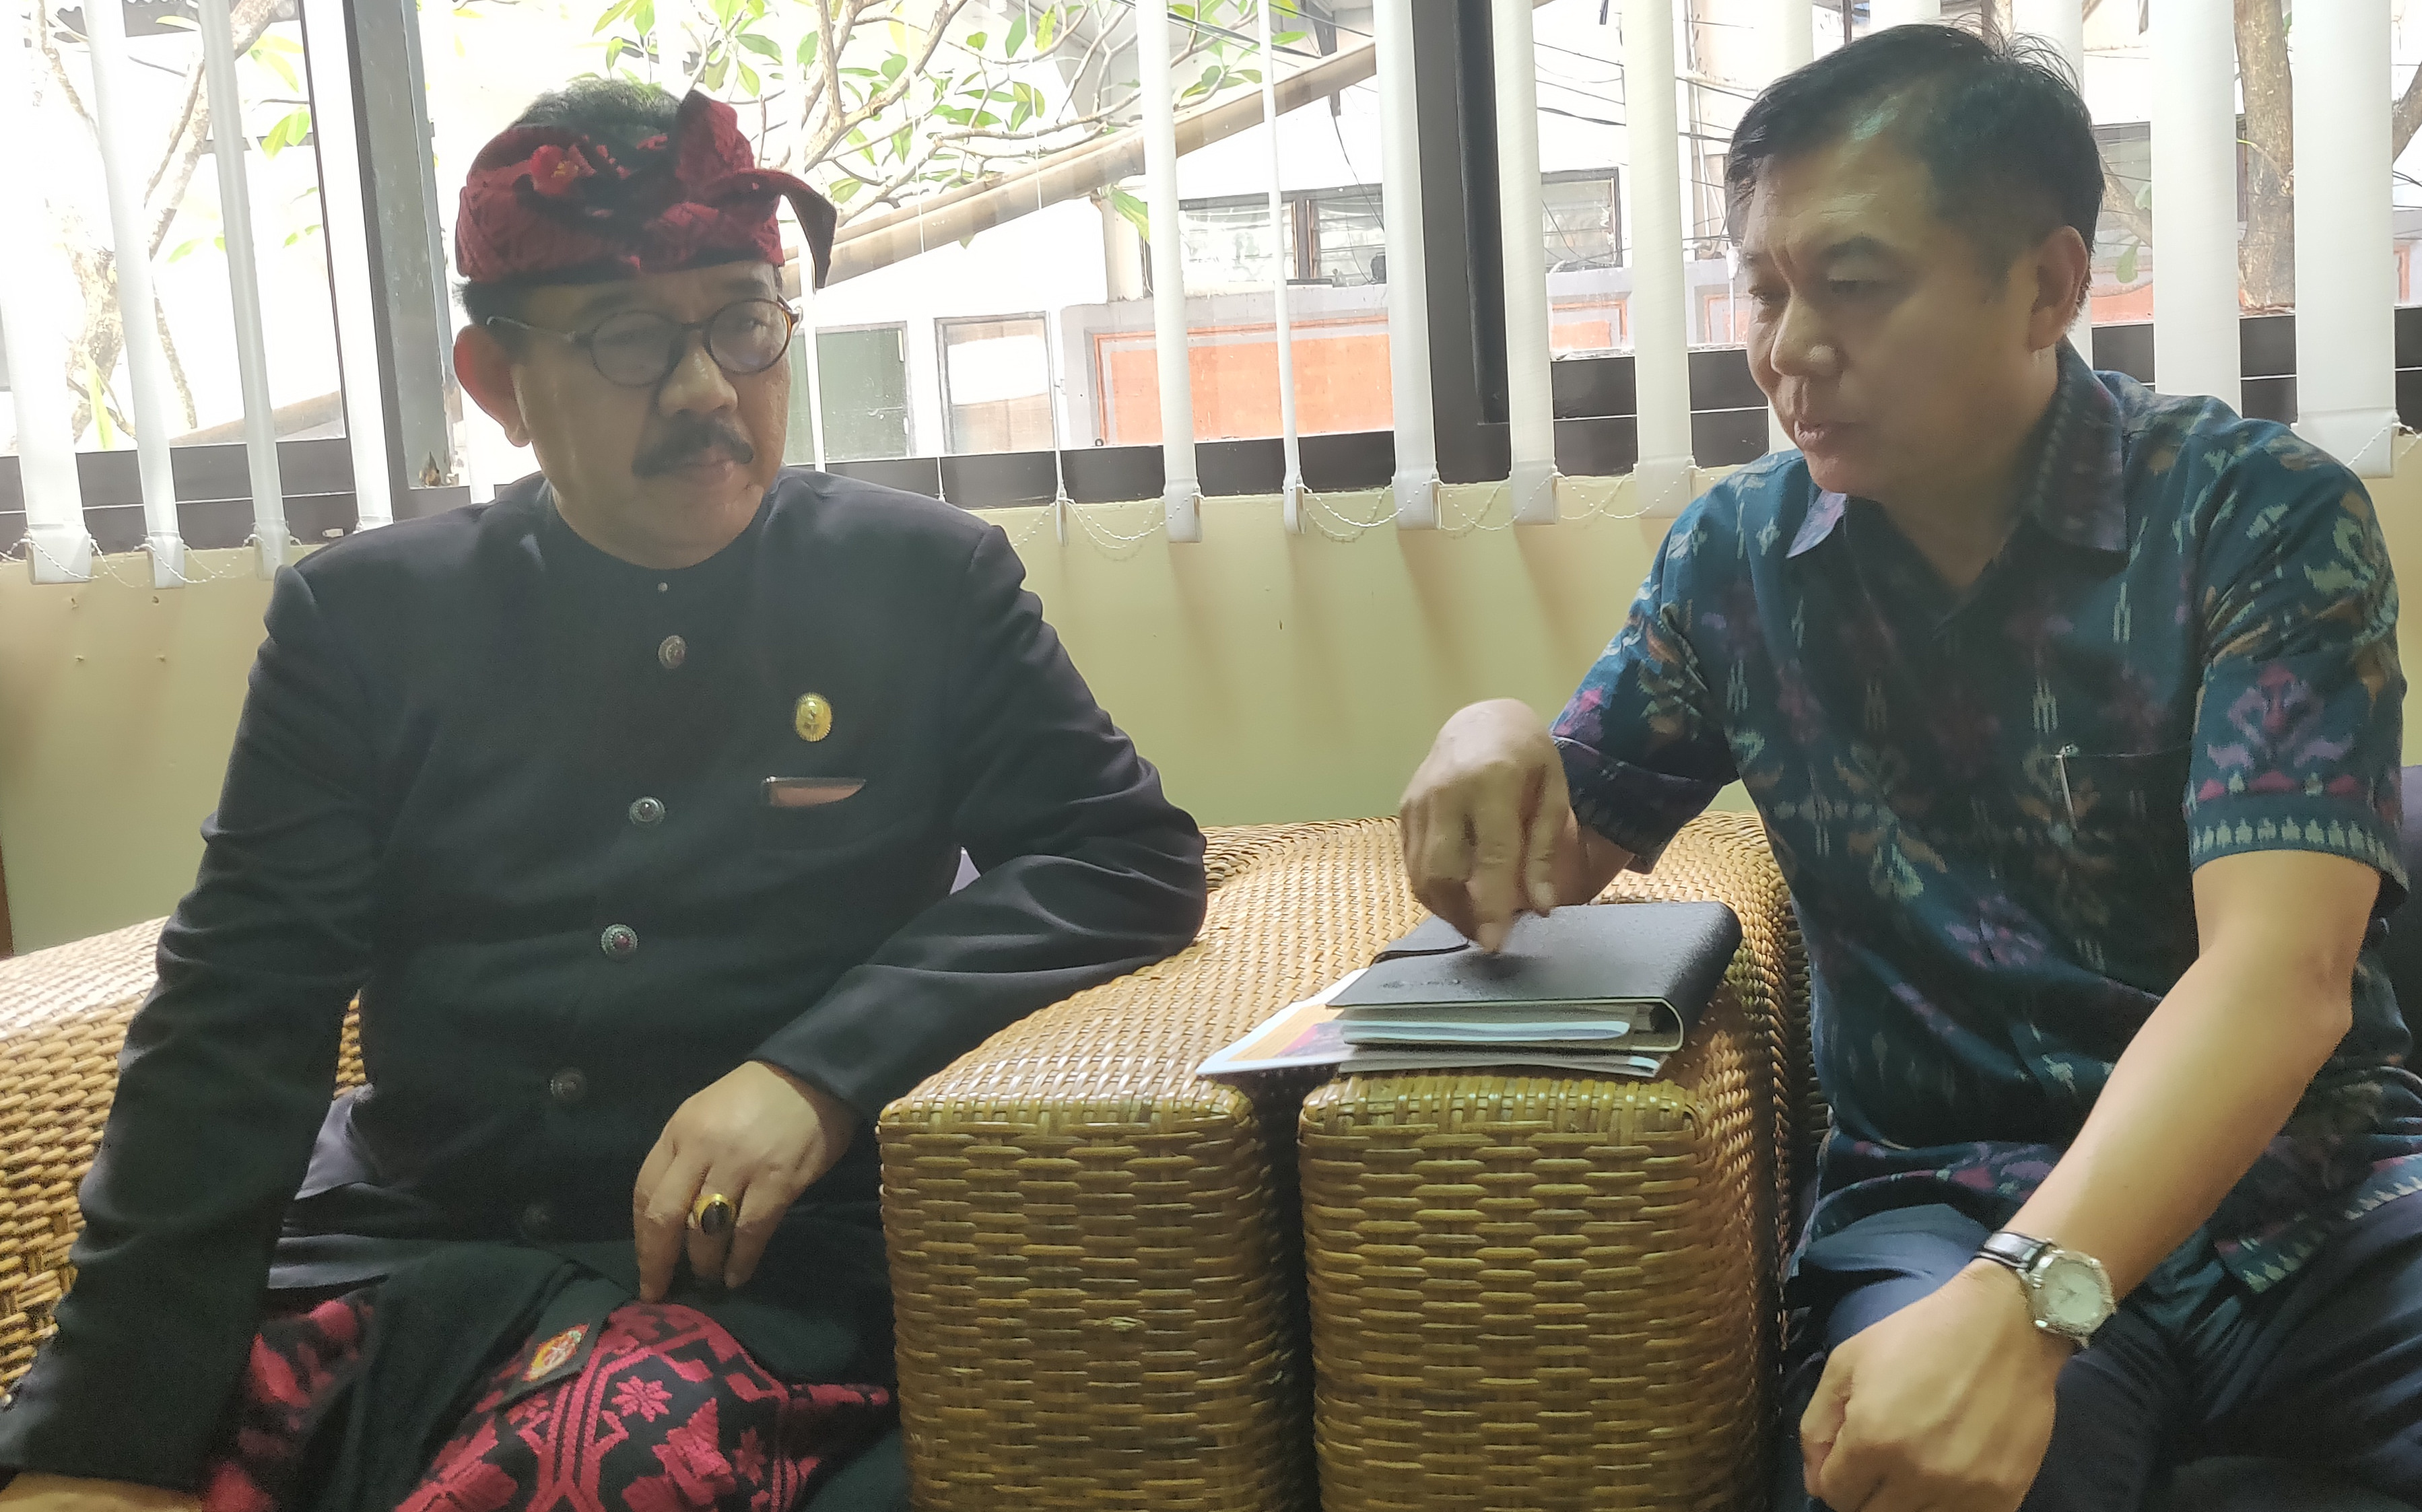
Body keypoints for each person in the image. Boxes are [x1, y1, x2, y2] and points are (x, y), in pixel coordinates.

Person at [0, 81, 1205, 1512]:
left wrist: (819, 1073)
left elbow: (1118, 853)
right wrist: (95, 1440)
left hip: (746, 1290)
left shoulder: (922, 581)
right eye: (632, 338)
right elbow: (235, 1020)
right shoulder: (364, 622)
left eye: (743, 322)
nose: (706, 389)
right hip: (401, 1258)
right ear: (497, 382)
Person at [1400, 25, 2422, 1512]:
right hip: (1944, 1201)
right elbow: (1542, 863)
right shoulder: (1736, 562)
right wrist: (1485, 730)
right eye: (1764, 290)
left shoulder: (2255, 518)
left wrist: (2032, 1302)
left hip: (2319, 1195)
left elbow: (2282, 974)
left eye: (1854, 283)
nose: (1786, 349)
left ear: (2047, 287)